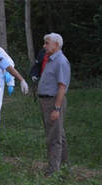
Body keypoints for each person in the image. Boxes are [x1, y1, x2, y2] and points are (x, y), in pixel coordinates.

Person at [37, 33, 70, 177]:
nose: (44, 46)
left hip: (53, 101)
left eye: (47, 43)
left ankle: (53, 171)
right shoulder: (51, 60)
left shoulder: (61, 61)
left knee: (53, 137)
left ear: (56, 45)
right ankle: (63, 165)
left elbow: (62, 87)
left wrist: (56, 108)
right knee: (58, 134)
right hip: (47, 101)